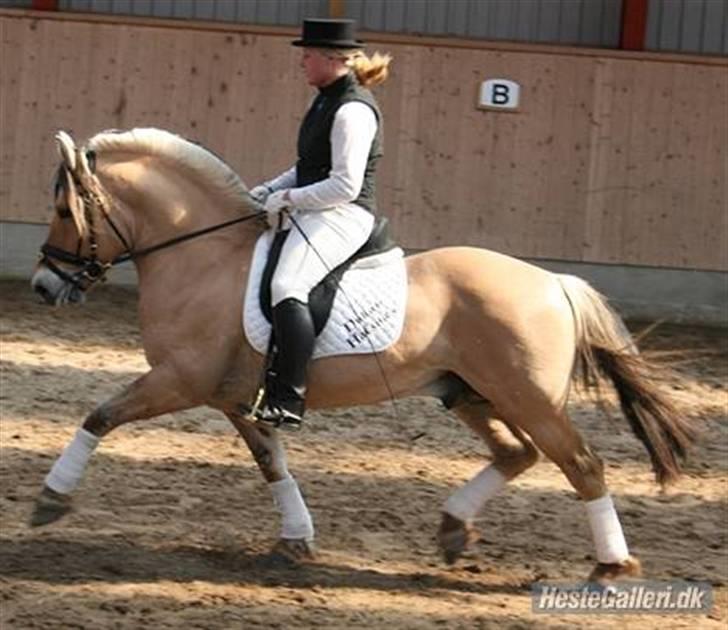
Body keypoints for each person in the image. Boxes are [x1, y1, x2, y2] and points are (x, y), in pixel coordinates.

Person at [249, 18, 392, 431]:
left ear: (332, 59)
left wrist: (289, 199)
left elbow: (344, 185)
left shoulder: (352, 110)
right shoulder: (324, 100)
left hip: (344, 214)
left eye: (307, 55)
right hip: (318, 208)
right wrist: (266, 189)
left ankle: (288, 397)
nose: (302, 63)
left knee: (286, 286)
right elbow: (309, 168)